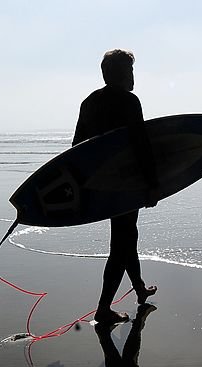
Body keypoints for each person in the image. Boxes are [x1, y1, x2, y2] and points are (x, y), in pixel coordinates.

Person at [73, 49, 159, 325]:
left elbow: (77, 147)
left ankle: (140, 289)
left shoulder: (89, 102)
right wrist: (153, 184)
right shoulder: (128, 101)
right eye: (131, 71)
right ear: (123, 73)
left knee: (126, 236)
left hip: (103, 185)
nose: (133, 76)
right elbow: (141, 144)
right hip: (126, 183)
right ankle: (103, 309)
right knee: (121, 244)